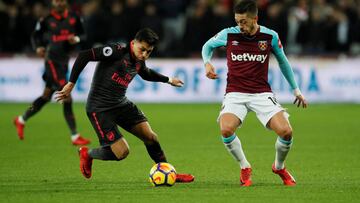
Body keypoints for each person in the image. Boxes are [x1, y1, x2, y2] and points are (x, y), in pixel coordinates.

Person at [55, 28, 194, 183]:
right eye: (142, 49)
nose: (144, 55)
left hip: (121, 104)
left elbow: (146, 73)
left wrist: (168, 80)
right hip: (100, 108)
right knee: (121, 152)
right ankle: (87, 153)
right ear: (133, 43)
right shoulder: (116, 51)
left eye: (149, 52)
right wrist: (71, 83)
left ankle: (168, 172)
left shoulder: (139, 60)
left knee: (151, 137)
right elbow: (84, 55)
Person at [201, 0, 308, 186]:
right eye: (237, 21)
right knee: (226, 129)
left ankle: (279, 167)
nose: (239, 25)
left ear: (255, 19)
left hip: (261, 93)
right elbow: (206, 46)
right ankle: (244, 167)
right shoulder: (228, 34)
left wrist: (296, 90)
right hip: (235, 93)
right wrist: (207, 62)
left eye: (243, 21)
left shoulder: (270, 36)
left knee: (286, 132)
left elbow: (283, 62)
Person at [13, 0, 91, 146]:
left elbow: (84, 34)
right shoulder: (46, 19)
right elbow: (35, 35)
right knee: (66, 96)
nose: (59, 3)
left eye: (61, 0)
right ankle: (75, 136)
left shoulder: (74, 17)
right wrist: (38, 47)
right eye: (56, 0)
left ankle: (21, 119)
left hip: (64, 62)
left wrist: (77, 38)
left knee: (46, 96)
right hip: (51, 61)